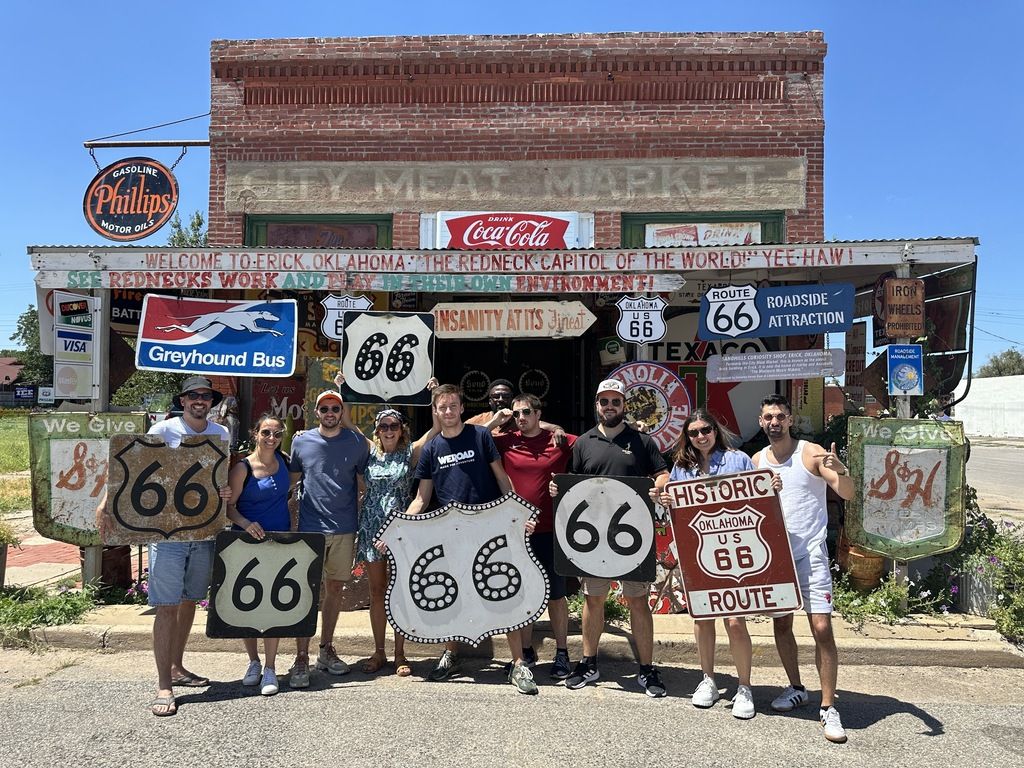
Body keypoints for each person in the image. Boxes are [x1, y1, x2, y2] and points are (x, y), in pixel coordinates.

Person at [96, 375, 232, 717]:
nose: (200, 401)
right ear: (182, 401)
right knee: (167, 606)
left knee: (189, 601)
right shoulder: (163, 430)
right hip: (167, 534)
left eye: (205, 396)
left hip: (202, 532)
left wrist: (225, 491)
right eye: (193, 396)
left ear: (211, 402)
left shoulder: (221, 434)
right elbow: (130, 468)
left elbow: (220, 476)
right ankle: (163, 685)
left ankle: (177, 667)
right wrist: (105, 503)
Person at [403, 383, 539, 695]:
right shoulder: (432, 449)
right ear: (435, 412)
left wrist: (519, 514)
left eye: (453, 405)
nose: (448, 411)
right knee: (454, 595)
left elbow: (502, 478)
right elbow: (421, 499)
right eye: (442, 407)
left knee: (504, 592)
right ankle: (451, 654)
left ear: (462, 408)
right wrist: (399, 528)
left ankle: (519, 664)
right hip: (452, 533)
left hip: (490, 528)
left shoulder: (480, 436)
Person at [550, 379, 670, 697]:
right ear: (597, 405)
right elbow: (572, 483)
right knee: (593, 599)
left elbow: (662, 472)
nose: (610, 407)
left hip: (634, 535)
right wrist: (557, 488)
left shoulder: (642, 441)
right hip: (593, 538)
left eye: (616, 401)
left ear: (624, 406)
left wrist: (660, 486)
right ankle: (589, 662)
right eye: (604, 401)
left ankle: (647, 668)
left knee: (638, 601)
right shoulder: (583, 443)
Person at [659, 409, 781, 719]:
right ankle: (708, 680)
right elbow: (676, 509)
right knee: (703, 619)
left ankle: (744, 686)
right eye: (694, 432)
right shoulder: (681, 467)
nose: (701, 436)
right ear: (687, 437)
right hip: (698, 552)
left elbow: (759, 500)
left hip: (734, 553)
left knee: (735, 621)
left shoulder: (738, 460)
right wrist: (665, 500)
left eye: (705, 430)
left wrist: (771, 486)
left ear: (715, 430)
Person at [751, 393, 855, 744]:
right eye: (768, 417)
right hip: (776, 556)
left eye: (780, 416)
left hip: (810, 554)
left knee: (821, 627)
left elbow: (847, 493)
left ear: (790, 419)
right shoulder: (757, 460)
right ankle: (796, 687)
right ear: (761, 421)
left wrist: (840, 469)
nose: (774, 422)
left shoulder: (810, 453)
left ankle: (828, 706)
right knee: (781, 623)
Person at [335, 373, 440, 677]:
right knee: (377, 590)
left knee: (399, 591)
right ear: (377, 430)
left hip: (400, 530)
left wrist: (434, 394)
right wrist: (342, 389)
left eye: (394, 426)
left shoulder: (410, 452)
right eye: (384, 426)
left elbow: (436, 428)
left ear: (401, 429)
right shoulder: (370, 450)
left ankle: (400, 653)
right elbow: (347, 421)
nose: (389, 431)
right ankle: (379, 651)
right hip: (371, 529)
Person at [286, 389, 370, 688]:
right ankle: (300, 656)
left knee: (334, 589)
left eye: (335, 409)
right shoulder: (301, 441)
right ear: (316, 412)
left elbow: (364, 481)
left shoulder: (356, 443)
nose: (330, 413)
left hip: (344, 527)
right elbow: (291, 483)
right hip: (311, 529)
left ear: (342, 412)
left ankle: (326, 649)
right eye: (325, 409)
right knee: (306, 594)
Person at [490, 393, 577, 681]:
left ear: (539, 414)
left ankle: (562, 653)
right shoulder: (505, 441)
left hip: (551, 531)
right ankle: (526, 653)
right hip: (517, 532)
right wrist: (498, 420)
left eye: (526, 412)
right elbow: (474, 437)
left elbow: (592, 445)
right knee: (522, 594)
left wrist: (556, 428)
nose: (520, 418)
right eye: (516, 414)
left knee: (556, 595)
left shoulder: (559, 441)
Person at [225, 414, 296, 696]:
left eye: (277, 434)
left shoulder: (285, 462)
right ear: (255, 433)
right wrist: (245, 524)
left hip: (277, 542)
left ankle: (270, 667)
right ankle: (253, 661)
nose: (271, 438)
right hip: (246, 543)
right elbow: (229, 507)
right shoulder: (242, 468)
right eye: (266, 432)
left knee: (273, 605)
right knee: (249, 603)